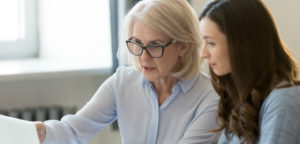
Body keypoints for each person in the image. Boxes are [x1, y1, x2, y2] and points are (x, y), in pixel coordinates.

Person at [35, 0, 220, 143]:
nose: (144, 58)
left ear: (184, 47)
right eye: (137, 43)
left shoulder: (210, 98)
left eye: (155, 46)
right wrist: (44, 132)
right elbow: (74, 130)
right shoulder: (123, 82)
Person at [199, 0, 300, 143]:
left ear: (241, 44)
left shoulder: (283, 100)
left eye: (211, 43)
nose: (203, 54)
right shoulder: (242, 100)